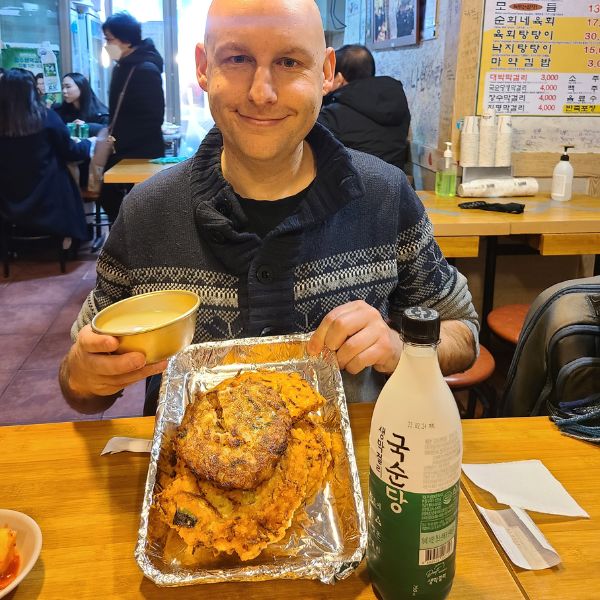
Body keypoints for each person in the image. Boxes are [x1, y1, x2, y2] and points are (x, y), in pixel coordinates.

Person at [59, 0, 478, 417]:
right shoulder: (148, 212)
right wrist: (84, 374)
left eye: (290, 61)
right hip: (190, 477)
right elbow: (80, 387)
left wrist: (400, 347)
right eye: (238, 58)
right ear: (204, 67)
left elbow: (464, 333)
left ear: (326, 72)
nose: (262, 93)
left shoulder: (385, 195)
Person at [0, 68, 92, 243]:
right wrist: (88, 144)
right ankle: (67, 239)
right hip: (48, 195)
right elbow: (70, 151)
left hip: (8, 199)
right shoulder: (46, 117)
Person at [99, 11, 165, 222]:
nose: (106, 45)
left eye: (109, 39)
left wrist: (119, 141)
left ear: (126, 40)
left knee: (129, 203)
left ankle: (130, 245)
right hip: (125, 151)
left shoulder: (144, 69)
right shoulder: (125, 66)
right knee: (112, 199)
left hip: (139, 153)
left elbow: (153, 117)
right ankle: (126, 244)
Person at [318, 44, 410, 172]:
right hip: (395, 186)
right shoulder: (398, 103)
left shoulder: (333, 114)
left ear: (339, 78)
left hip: (351, 188)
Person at [53, 72, 109, 136]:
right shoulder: (59, 111)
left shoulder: (101, 114)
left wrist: (87, 127)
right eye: (62, 87)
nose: (64, 91)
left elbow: (109, 131)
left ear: (81, 88)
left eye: (68, 87)